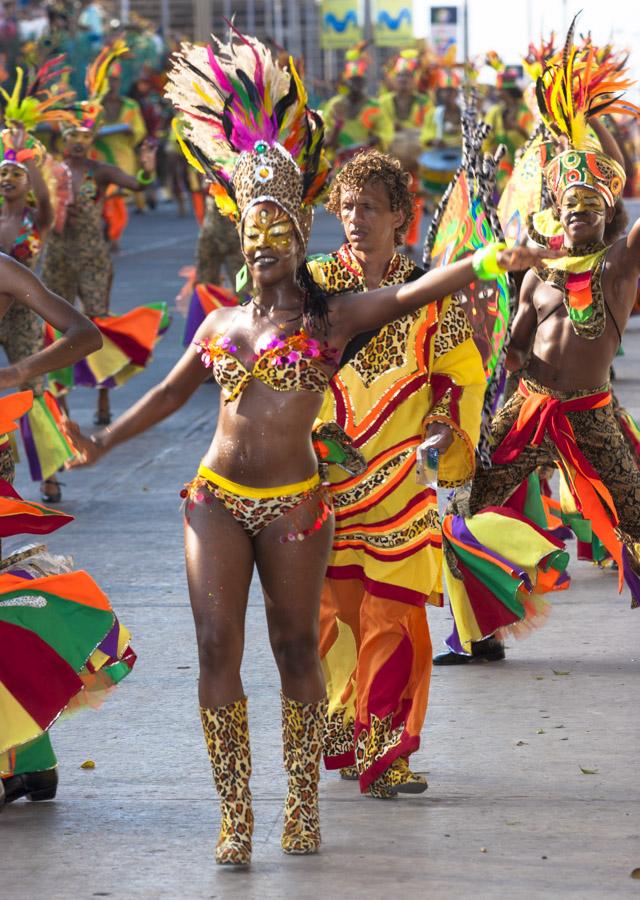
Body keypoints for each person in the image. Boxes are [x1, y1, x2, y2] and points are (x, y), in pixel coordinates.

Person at [63, 33, 552, 866]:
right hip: (215, 497)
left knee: (307, 643)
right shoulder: (223, 322)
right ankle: (234, 818)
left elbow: (421, 291)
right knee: (220, 646)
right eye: (250, 230)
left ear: (296, 236)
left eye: (277, 229)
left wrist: (490, 258)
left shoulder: (333, 315)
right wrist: (100, 439)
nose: (261, 244)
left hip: (318, 499)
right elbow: (173, 394)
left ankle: (305, 803)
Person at [438, 31, 640, 658]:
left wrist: (592, 125)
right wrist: (479, 392)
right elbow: (516, 351)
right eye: (570, 203)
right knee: (472, 505)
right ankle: (481, 635)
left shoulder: (617, 267)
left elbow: (630, 190)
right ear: (557, 210)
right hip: (528, 407)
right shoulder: (537, 273)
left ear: (608, 215)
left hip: (590, 411)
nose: (579, 211)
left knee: (635, 512)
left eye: (591, 205)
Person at [309, 150, 486, 798]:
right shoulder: (314, 284)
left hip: (405, 486)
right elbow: (287, 377)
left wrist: (445, 424)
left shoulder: (428, 290)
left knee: (397, 618)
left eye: (371, 209)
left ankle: (385, 749)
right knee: (336, 620)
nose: (357, 220)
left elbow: (460, 374)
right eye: (348, 208)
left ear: (400, 218)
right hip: (326, 486)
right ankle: (347, 730)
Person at [40, 39, 160, 427]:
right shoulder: (46, 170)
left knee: (97, 326)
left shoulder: (100, 170)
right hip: (56, 258)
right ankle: (59, 404)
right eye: (70, 136)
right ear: (62, 139)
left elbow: (139, 185)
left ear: (92, 139)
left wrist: (146, 164)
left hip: (93, 258)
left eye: (84, 137)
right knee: (56, 330)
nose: (77, 142)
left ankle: (104, 400)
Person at [0, 58, 78, 502]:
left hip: (27, 316)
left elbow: (47, 201)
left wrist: (26, 155)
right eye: (2, 173)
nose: (8, 179)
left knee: (33, 391)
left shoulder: (38, 218)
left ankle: (50, 472)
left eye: (16, 174)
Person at [93, 60, 148, 247]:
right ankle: (104, 230)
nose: (111, 84)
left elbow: (140, 130)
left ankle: (114, 235)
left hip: (123, 157)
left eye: (114, 80)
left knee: (117, 199)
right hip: (98, 156)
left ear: (119, 82)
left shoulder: (131, 106)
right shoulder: (93, 107)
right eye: (107, 80)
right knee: (100, 198)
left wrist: (132, 132)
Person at [323, 43, 393, 165]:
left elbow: (386, 134)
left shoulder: (375, 106)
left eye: (359, 80)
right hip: (339, 165)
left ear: (365, 82)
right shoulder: (334, 105)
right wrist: (336, 128)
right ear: (346, 81)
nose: (356, 85)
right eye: (352, 80)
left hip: (369, 165)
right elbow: (325, 140)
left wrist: (376, 138)